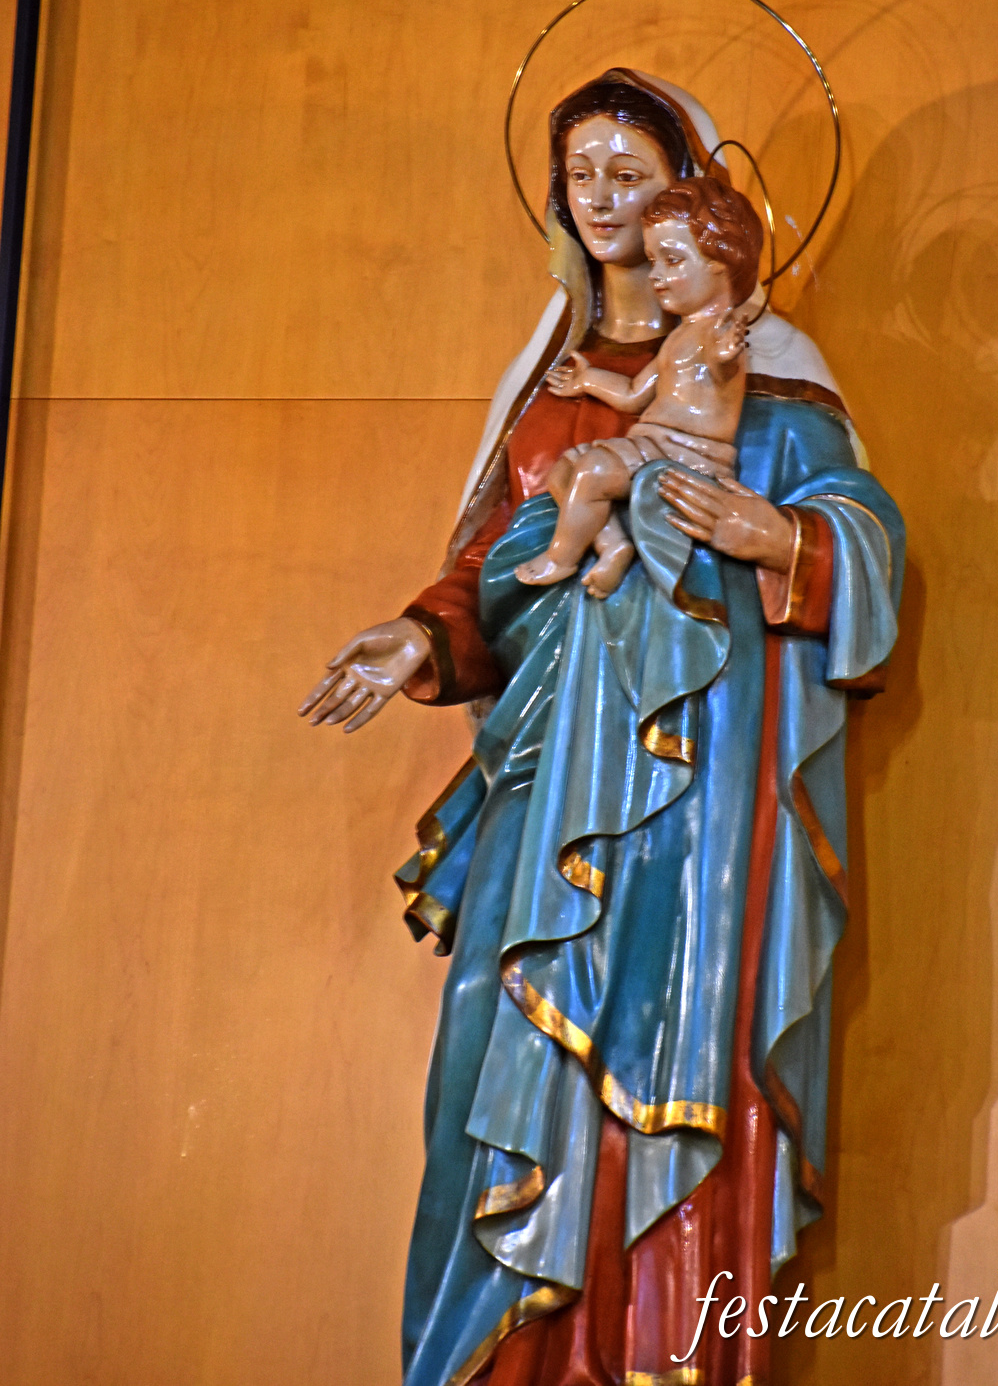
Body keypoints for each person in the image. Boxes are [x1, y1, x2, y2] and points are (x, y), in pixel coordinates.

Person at [299, 69, 904, 1386]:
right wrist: (421, 635)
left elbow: (862, 538)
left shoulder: (768, 367)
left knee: (669, 1050)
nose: (608, 197)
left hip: (696, 781)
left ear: (693, 192)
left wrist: (779, 533)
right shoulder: (548, 383)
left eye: (636, 170)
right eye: (584, 174)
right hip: (541, 769)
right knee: (491, 1059)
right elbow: (489, 570)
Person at [514, 174, 760, 597]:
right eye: (652, 260)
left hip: (688, 454)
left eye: (673, 260)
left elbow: (723, 370)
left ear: (720, 260)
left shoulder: (721, 333)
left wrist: (725, 353)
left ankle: (562, 557)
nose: (656, 276)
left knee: (592, 472)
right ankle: (613, 547)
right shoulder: (679, 337)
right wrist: (587, 379)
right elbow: (634, 394)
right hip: (652, 444)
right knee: (564, 470)